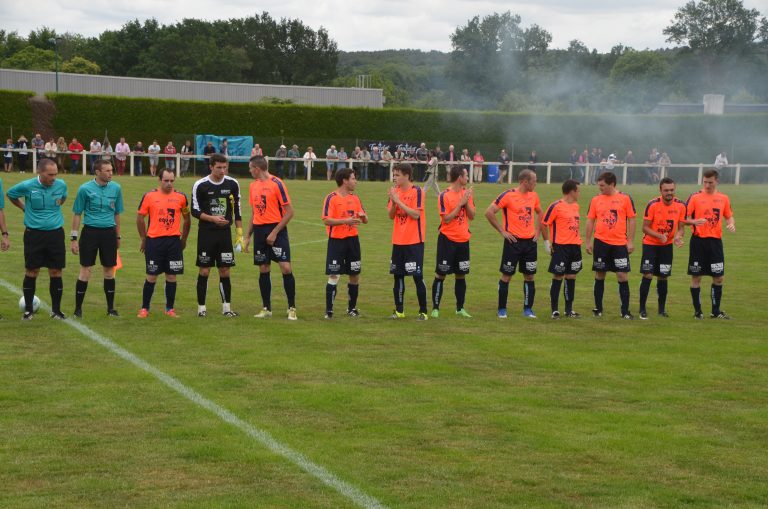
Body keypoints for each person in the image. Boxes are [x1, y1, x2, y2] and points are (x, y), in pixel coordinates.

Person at [7, 158, 68, 320]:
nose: (54, 178)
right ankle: (28, 311)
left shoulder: (61, 185)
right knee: (32, 271)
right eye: (50, 175)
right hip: (34, 235)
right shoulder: (27, 186)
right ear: (39, 172)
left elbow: (63, 198)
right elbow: (11, 194)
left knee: (56, 271)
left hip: (55, 234)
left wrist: (54, 208)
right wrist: (23, 207)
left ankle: (56, 311)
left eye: (55, 174)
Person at [243, 155, 297, 320]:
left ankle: (291, 307)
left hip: (276, 230)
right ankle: (266, 308)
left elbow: (290, 212)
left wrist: (274, 232)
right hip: (259, 231)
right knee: (264, 268)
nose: (250, 171)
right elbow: (254, 213)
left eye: (251, 168)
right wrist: (248, 236)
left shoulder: (277, 183)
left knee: (285, 267)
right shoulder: (253, 186)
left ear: (257, 168)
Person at [485, 169, 542, 319]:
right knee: (506, 276)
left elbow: (540, 212)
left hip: (530, 243)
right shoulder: (508, 195)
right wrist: (502, 231)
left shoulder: (534, 196)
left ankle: (528, 309)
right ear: (524, 181)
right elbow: (489, 212)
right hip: (513, 242)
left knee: (529, 276)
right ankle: (502, 309)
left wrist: (537, 231)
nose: (536, 183)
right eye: (534, 181)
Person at [191, 153, 243, 318]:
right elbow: (194, 210)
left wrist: (239, 234)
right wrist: (212, 219)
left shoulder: (232, 184)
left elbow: (237, 209)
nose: (222, 171)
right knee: (204, 271)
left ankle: (227, 308)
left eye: (224, 167)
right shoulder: (200, 185)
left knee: (225, 270)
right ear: (211, 167)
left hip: (224, 234)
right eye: (219, 167)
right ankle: (201, 309)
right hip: (206, 233)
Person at [70, 159, 124, 318]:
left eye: (111, 170)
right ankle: (78, 309)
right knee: (85, 270)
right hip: (90, 233)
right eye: (107, 171)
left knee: (109, 270)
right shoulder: (84, 189)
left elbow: (117, 214)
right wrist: (74, 238)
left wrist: (118, 235)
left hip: (109, 234)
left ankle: (110, 309)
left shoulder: (116, 188)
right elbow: (77, 213)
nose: (111, 173)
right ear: (98, 172)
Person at [136, 168, 191, 317]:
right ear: (159, 180)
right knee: (151, 275)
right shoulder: (149, 196)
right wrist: (143, 239)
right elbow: (140, 218)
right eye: (166, 180)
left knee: (172, 276)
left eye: (172, 181)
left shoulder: (181, 197)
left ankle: (170, 309)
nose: (169, 184)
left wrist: (184, 239)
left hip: (173, 242)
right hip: (154, 242)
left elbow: (187, 219)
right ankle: (144, 308)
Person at [585, 171, 636, 319]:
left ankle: (625, 311)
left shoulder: (625, 198)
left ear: (612, 184)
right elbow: (590, 220)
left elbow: (632, 219)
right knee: (600, 274)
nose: (599, 188)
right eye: (599, 185)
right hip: (601, 243)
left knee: (622, 275)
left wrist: (630, 241)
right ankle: (598, 309)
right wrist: (588, 241)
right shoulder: (596, 200)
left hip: (619, 244)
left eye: (602, 185)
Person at [685, 169, 735, 319]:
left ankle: (715, 311)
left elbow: (729, 216)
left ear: (716, 181)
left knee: (718, 278)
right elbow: (684, 218)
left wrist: (731, 224)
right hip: (698, 242)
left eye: (710, 182)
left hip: (715, 243)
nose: (707, 185)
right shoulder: (695, 197)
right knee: (696, 277)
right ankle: (698, 312)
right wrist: (694, 221)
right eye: (705, 182)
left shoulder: (723, 198)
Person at [637, 177, 689, 319]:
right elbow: (645, 228)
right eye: (666, 190)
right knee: (647, 274)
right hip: (650, 245)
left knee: (663, 276)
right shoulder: (652, 205)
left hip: (666, 246)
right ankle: (642, 308)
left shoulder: (681, 205)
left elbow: (681, 228)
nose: (669, 193)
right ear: (660, 190)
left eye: (671, 190)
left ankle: (661, 309)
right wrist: (659, 236)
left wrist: (677, 237)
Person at [321, 167, 368, 318]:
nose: (356, 181)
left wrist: (363, 217)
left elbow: (365, 219)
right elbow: (326, 220)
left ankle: (351, 308)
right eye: (353, 178)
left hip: (353, 241)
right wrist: (345, 221)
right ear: (345, 181)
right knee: (334, 274)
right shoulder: (331, 198)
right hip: (337, 241)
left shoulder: (355, 198)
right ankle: (329, 311)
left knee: (354, 275)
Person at [431, 165, 474, 318]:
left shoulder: (466, 194)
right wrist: (460, 203)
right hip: (447, 240)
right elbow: (446, 219)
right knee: (441, 274)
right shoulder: (444, 195)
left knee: (461, 275)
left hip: (463, 240)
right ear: (459, 177)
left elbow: (472, 216)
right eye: (466, 175)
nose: (468, 178)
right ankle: (435, 308)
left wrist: (466, 201)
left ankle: (460, 308)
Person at [388, 163, 428, 320]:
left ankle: (423, 312)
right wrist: (393, 201)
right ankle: (399, 311)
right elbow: (391, 215)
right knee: (398, 276)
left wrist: (398, 201)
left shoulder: (417, 191)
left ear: (406, 176)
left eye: (397, 175)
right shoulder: (394, 191)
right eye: (394, 175)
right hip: (398, 241)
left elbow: (415, 214)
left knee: (417, 276)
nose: (394, 178)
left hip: (414, 241)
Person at [540, 179, 583, 319]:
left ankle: (569, 310)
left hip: (575, 247)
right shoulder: (556, 206)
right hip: (561, 247)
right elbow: (544, 223)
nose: (579, 193)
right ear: (572, 191)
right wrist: (547, 243)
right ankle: (554, 310)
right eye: (578, 191)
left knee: (571, 276)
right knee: (558, 276)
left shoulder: (576, 206)